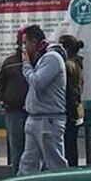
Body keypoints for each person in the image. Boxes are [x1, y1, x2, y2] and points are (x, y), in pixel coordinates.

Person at [19, 25, 68, 173]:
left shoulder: (52, 58)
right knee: (28, 162)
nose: (24, 47)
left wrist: (26, 65)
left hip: (48, 119)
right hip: (35, 117)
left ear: (34, 42)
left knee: (54, 162)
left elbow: (38, 82)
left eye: (25, 43)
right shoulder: (41, 59)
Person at [0, 28, 29, 174]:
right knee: (17, 150)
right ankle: (17, 179)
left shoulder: (41, 61)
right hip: (15, 112)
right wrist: (3, 100)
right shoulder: (10, 62)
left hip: (37, 112)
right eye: (23, 42)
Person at [58, 35, 85, 167]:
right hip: (75, 109)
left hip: (70, 109)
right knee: (70, 145)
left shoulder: (69, 65)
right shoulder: (76, 63)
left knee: (68, 147)